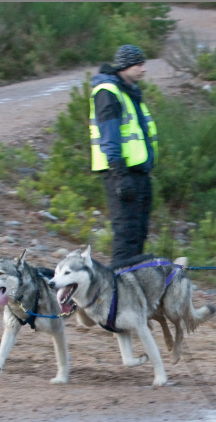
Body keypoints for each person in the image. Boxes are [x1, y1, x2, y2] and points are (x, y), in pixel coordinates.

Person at [89, 44, 157, 264]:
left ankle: (133, 287)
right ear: (125, 65)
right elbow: (109, 135)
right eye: (138, 64)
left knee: (138, 233)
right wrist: (119, 175)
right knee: (126, 234)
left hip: (138, 174)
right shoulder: (108, 92)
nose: (143, 69)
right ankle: (118, 288)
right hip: (121, 173)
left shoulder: (130, 92)